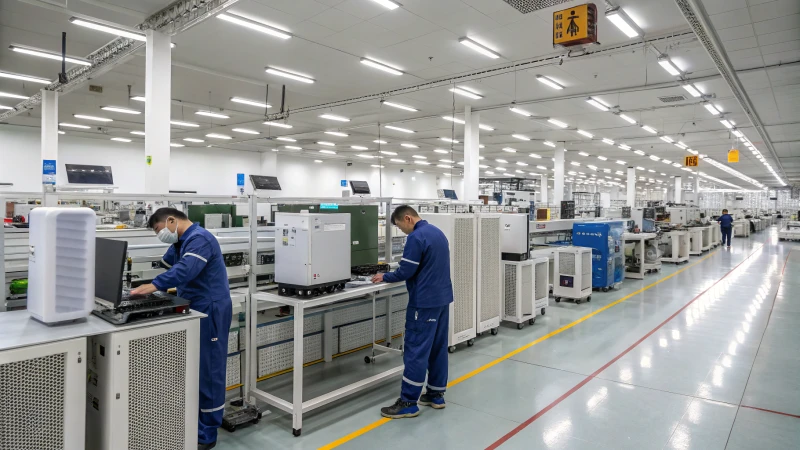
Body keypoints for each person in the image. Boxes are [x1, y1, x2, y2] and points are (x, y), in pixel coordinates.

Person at [130, 208, 232, 450]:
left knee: (209, 370)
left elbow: (185, 270)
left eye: (159, 230)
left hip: (210, 308)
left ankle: (207, 433)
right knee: (195, 368)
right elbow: (169, 263)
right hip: (193, 306)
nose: (160, 234)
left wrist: (152, 286)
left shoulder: (200, 239)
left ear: (172, 221)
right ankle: (191, 421)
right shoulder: (181, 240)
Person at [371, 205, 454, 419]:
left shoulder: (416, 237)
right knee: (437, 347)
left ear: (408, 218)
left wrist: (385, 276)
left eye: (400, 226)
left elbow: (406, 271)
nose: (402, 231)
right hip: (442, 300)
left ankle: (408, 401)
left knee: (416, 349)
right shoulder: (437, 233)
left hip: (423, 303)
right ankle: (436, 394)